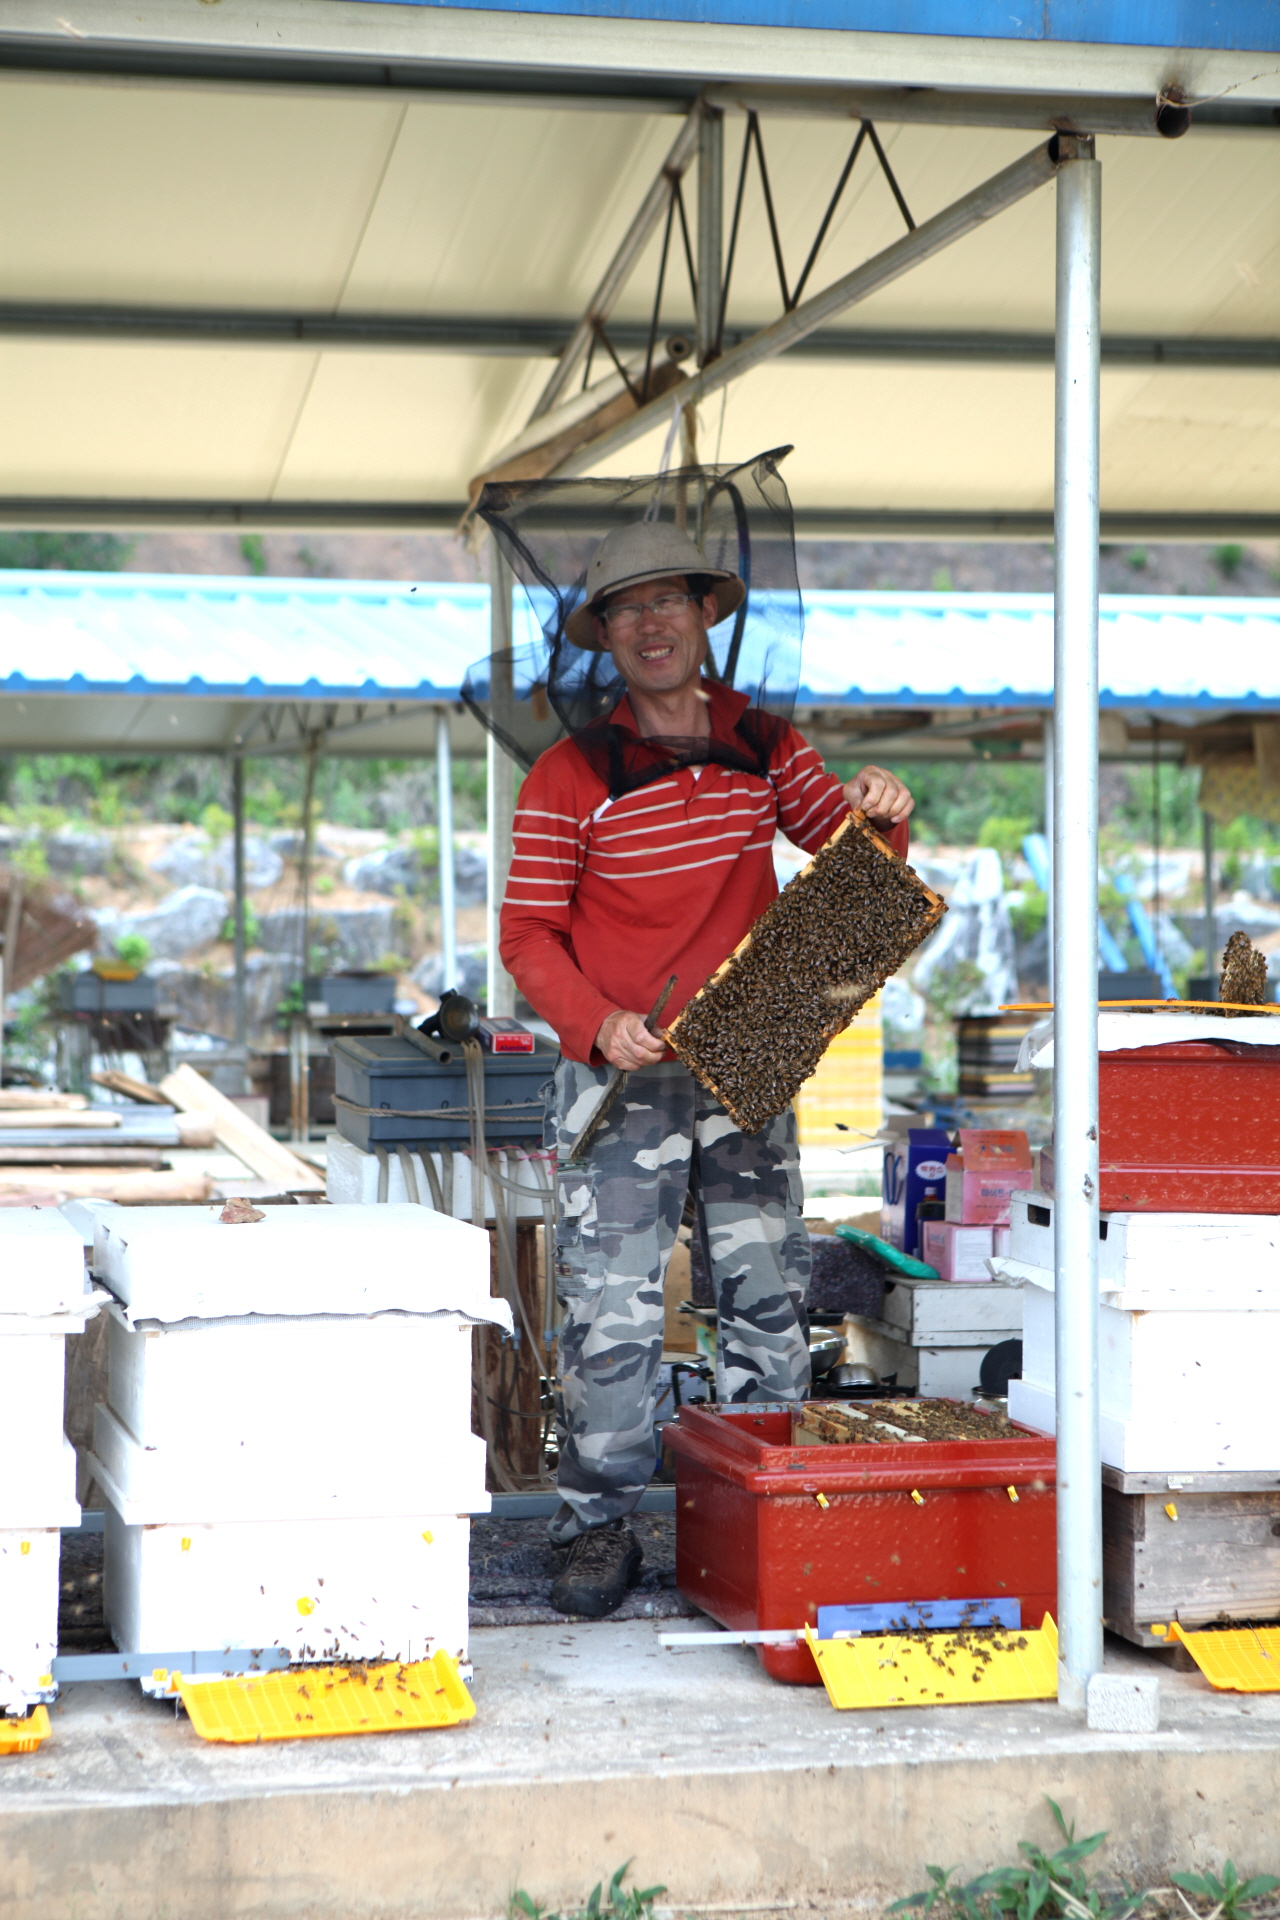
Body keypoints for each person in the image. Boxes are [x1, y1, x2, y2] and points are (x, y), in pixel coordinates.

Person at [499, 519, 914, 1617]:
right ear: (606, 635)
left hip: (745, 1061)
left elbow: (852, 863)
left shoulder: (767, 746)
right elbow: (527, 934)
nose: (650, 624)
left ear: (703, 615)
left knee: (768, 1301)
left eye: (667, 603)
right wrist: (596, 1022)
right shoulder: (567, 773)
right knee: (610, 1315)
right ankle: (597, 1528)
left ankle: (757, 1511)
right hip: (621, 1078)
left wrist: (882, 815)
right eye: (626, 609)